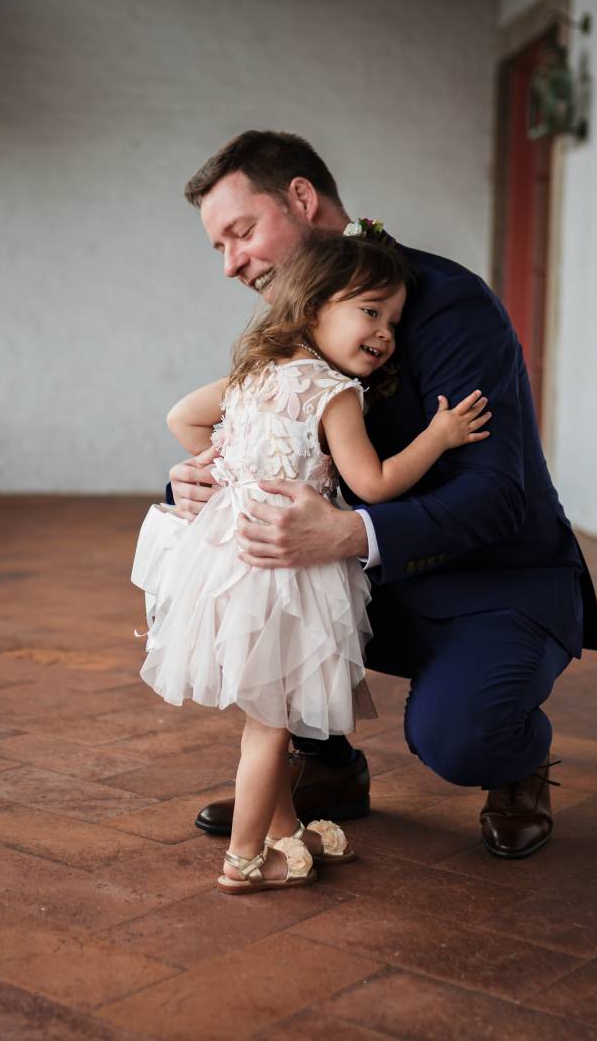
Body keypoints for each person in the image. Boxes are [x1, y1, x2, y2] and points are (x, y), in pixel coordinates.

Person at [171, 131, 597, 859]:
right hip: (373, 580)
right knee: (239, 586)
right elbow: (261, 436)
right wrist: (198, 480)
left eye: (241, 233)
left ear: (303, 201)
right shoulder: (298, 319)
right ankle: (330, 768)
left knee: (459, 738)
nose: (231, 265)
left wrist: (347, 534)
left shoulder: (448, 305)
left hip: (493, 579)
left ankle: (517, 754)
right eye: (219, 247)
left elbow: (499, 497)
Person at [133, 233, 491, 893]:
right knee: (271, 728)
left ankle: (283, 833)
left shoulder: (250, 378)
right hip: (287, 580)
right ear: (315, 305)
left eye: (394, 322)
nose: (385, 334)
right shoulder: (334, 393)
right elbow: (376, 483)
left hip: (229, 567)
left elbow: (182, 417)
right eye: (371, 312)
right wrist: (438, 439)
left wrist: (222, 472)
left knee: (264, 715)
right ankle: (245, 861)